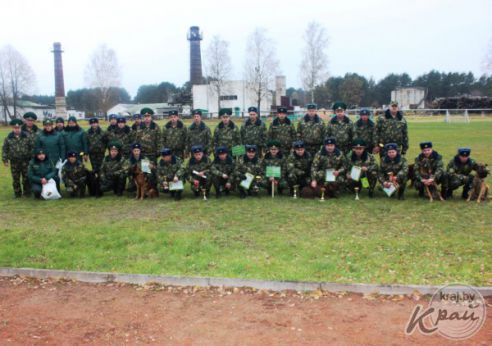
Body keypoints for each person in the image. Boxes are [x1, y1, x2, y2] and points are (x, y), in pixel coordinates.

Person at [2, 119, 34, 197]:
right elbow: (5, 149)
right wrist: (5, 160)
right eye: (15, 128)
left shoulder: (26, 137)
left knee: (26, 177)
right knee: (15, 178)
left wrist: (32, 158)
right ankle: (17, 193)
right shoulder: (8, 138)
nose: (17, 129)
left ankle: (27, 193)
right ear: (12, 128)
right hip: (14, 162)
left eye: (18, 128)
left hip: (25, 161)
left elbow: (32, 148)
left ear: (20, 128)